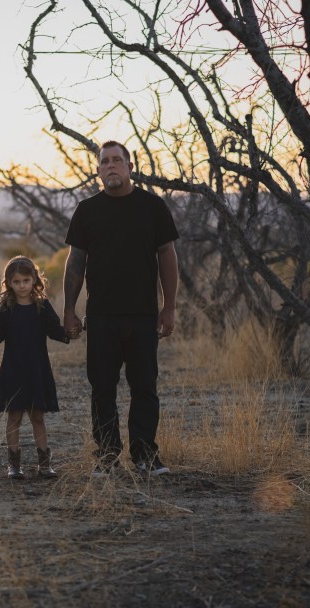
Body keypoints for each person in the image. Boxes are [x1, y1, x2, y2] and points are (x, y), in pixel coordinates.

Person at [63, 140, 179, 476]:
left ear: (130, 167)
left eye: (117, 161)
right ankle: (108, 455)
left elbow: (167, 256)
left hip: (143, 315)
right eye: (105, 162)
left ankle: (144, 455)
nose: (111, 166)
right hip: (100, 317)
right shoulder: (87, 210)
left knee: (145, 386)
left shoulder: (152, 207)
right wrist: (70, 310)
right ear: (98, 171)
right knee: (102, 388)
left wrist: (168, 307)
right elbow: (76, 261)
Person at [0, 256, 69, 480]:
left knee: (38, 417)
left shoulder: (42, 306)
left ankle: (44, 464)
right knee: (14, 417)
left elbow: (55, 331)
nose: (22, 285)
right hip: (14, 369)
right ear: (9, 283)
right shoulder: (5, 308)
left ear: (35, 279)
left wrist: (70, 331)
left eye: (26, 280)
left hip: (37, 369)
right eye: (16, 281)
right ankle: (14, 465)